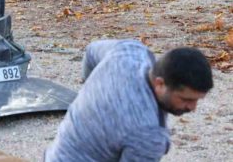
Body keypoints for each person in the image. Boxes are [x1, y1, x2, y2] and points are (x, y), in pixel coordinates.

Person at [45, 40, 213, 161]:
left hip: (56, 154)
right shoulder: (148, 133)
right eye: (186, 99)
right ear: (160, 83)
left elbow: (91, 52)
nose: (193, 108)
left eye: (197, 100)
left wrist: (90, 93)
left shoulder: (128, 51)